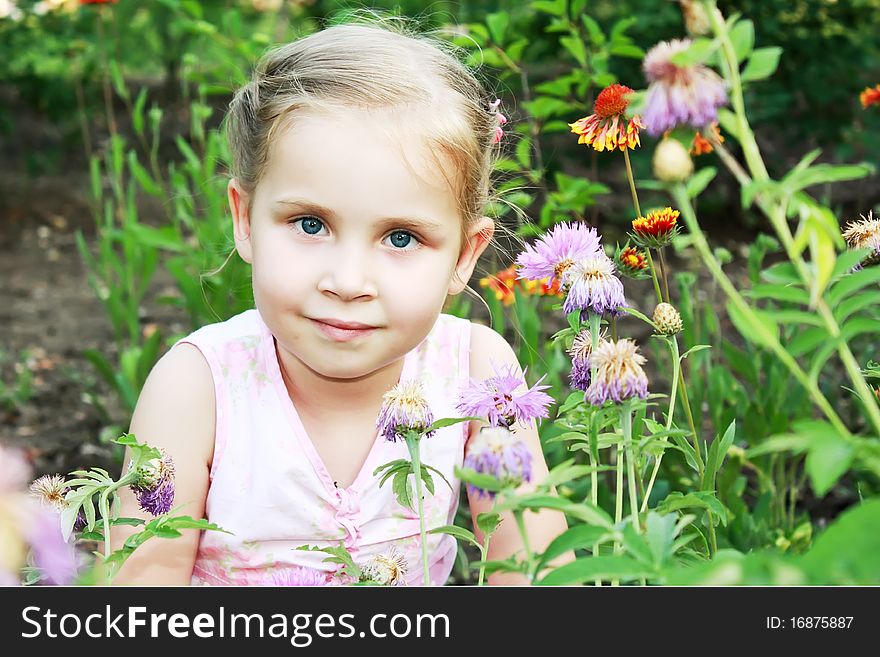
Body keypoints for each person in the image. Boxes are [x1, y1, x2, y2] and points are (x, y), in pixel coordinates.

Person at [110, 17, 570, 586]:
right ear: (244, 218)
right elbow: (134, 593)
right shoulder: (199, 386)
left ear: (464, 255)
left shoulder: (476, 372)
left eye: (401, 237)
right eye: (309, 224)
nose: (348, 281)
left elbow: (537, 571)